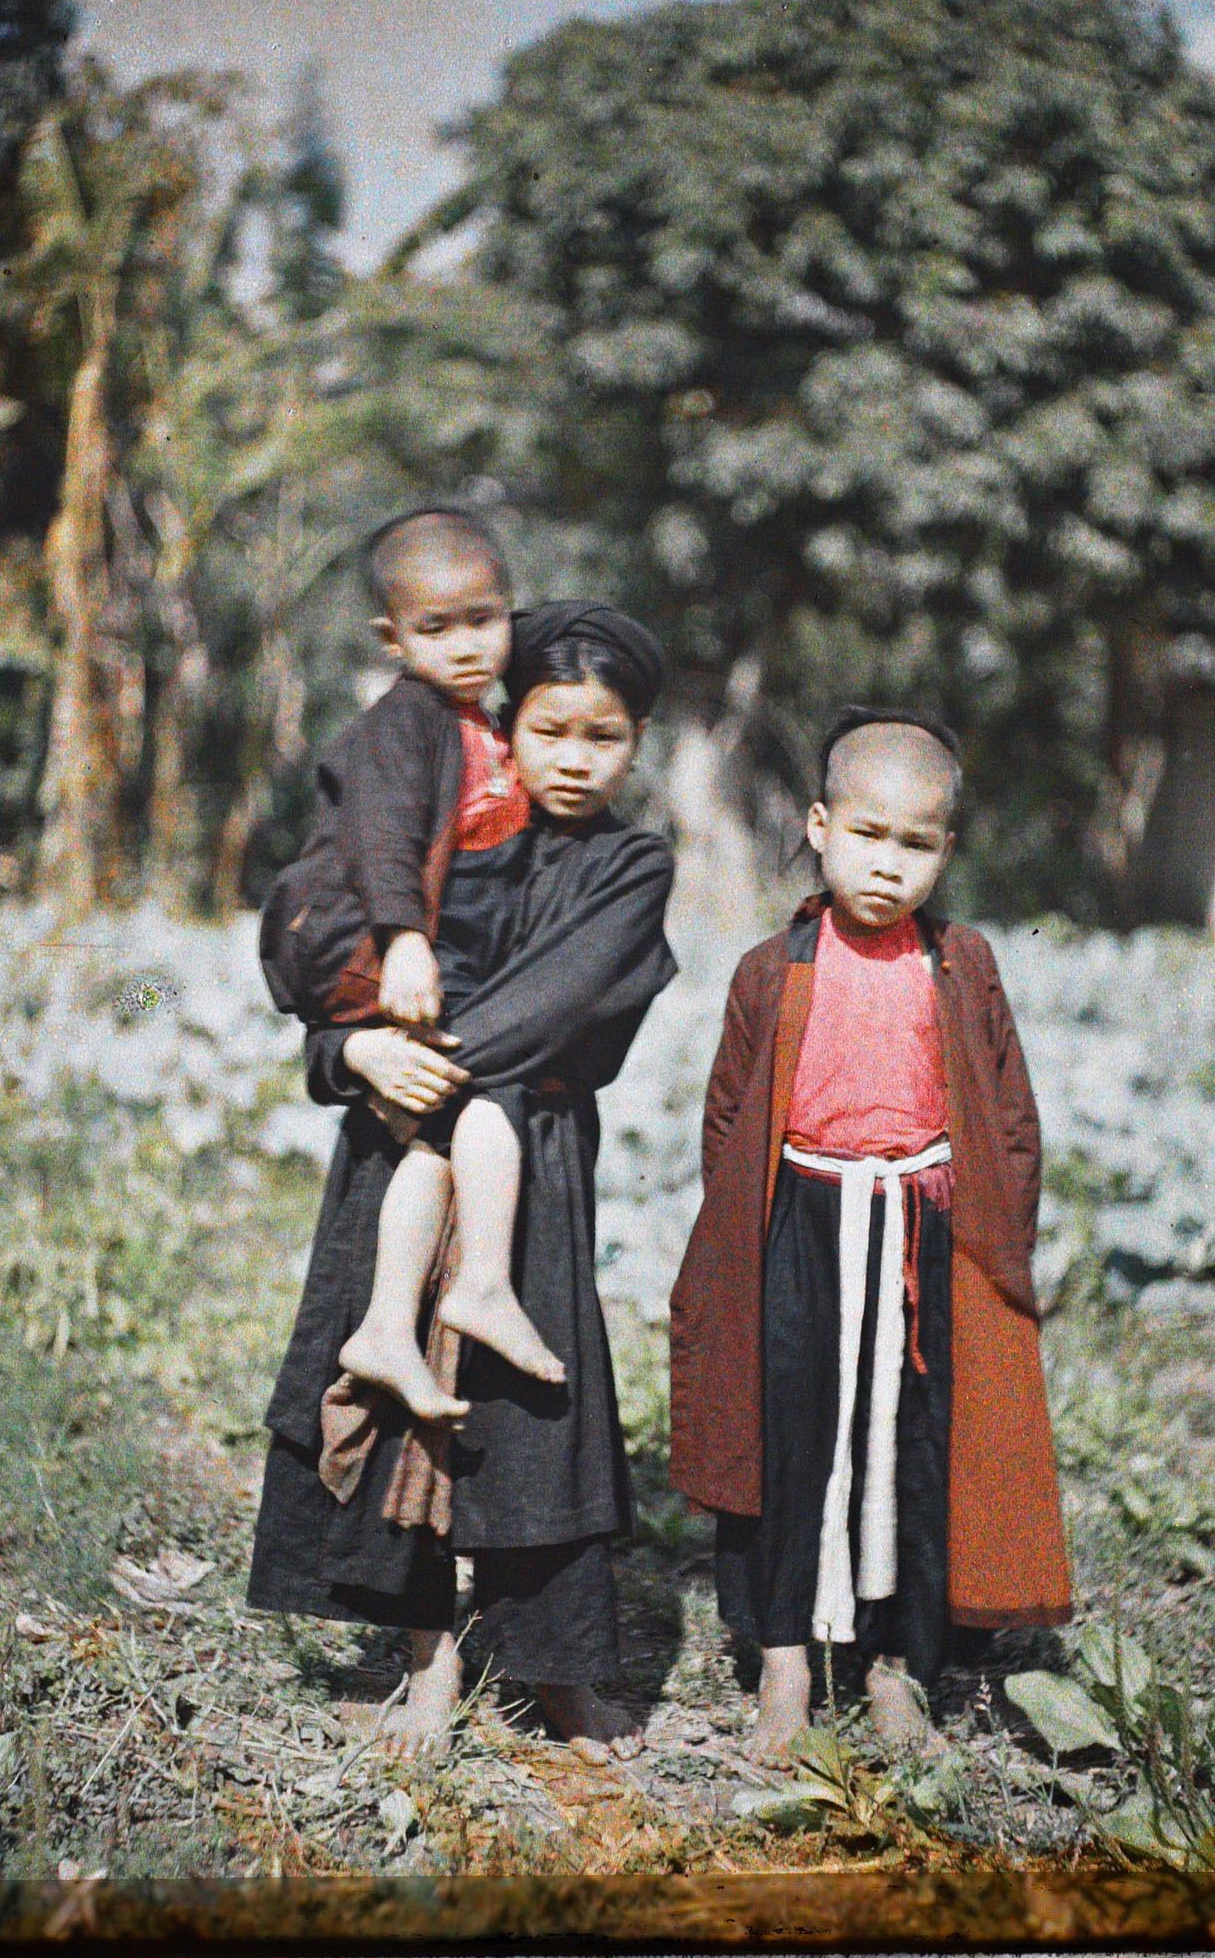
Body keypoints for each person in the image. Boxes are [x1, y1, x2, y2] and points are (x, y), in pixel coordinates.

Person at [249, 602, 677, 1758]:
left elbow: (562, 1004)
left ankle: (556, 1668)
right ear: (507, 721)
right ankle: (424, 1657)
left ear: (638, 740)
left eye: (605, 737)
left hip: (527, 1153)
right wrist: (343, 1049)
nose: (573, 760)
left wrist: (392, 1063)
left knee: (532, 1411)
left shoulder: (630, 864)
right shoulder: (441, 829)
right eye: (548, 730)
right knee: (401, 1397)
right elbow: (323, 938)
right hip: (397, 1155)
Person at [669, 706, 1071, 1760]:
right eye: (866, 834)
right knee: (788, 1436)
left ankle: (900, 1668)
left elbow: (1009, 1113)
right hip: (800, 1219)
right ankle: (785, 1664)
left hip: (923, 1225)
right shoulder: (772, 969)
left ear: (946, 849)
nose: (886, 866)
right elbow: (728, 1117)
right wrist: (746, 1249)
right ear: (816, 824)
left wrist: (994, 1249)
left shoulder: (964, 965)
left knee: (917, 1443)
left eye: (915, 843)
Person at [262, 507, 563, 1425]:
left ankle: (389, 1325)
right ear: (391, 639)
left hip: (439, 950)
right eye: (436, 629)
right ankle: (480, 1285)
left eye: (484, 619)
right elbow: (382, 839)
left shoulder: (482, 720)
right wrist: (402, 940)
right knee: (484, 1100)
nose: (468, 645)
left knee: (427, 1143)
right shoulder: (407, 721)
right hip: (397, 950)